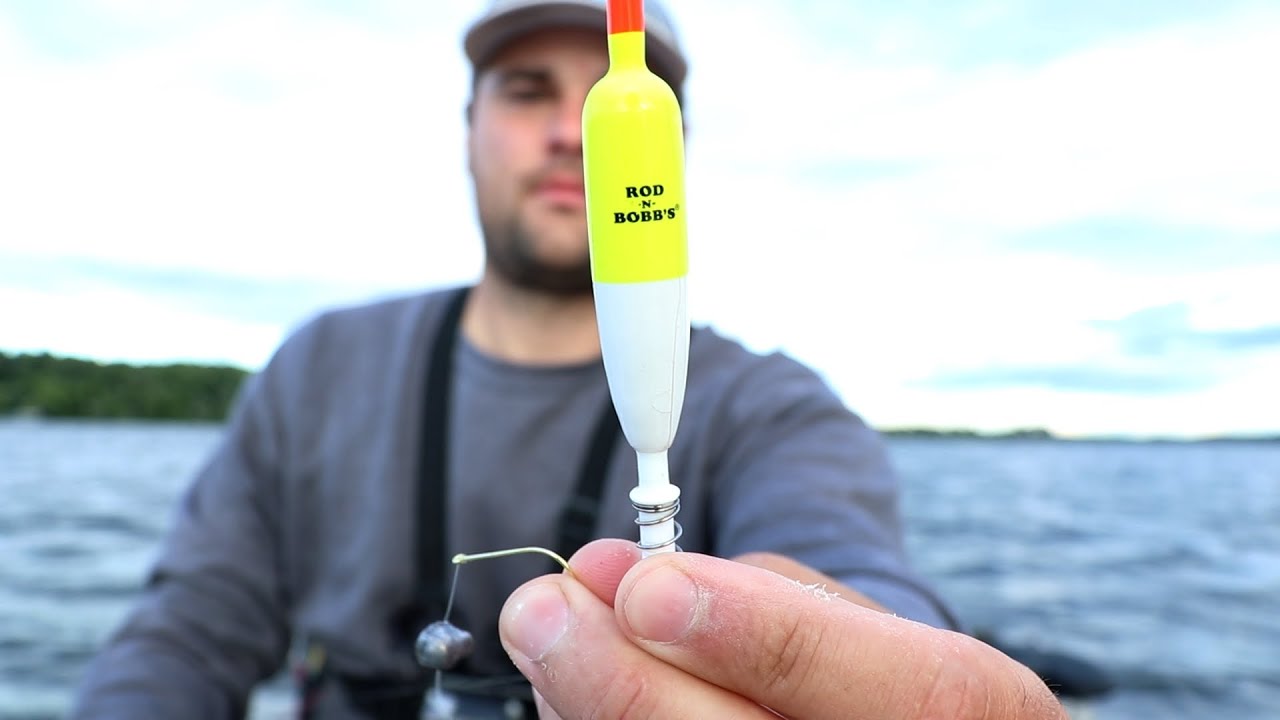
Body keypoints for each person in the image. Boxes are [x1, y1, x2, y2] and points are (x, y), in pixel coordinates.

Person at [71, 1, 1064, 718]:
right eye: (524, 90)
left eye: (605, 99)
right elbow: (186, 633)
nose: (565, 131)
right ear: (467, 132)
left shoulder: (773, 408)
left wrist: (853, 655)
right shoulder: (317, 368)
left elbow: (860, 577)